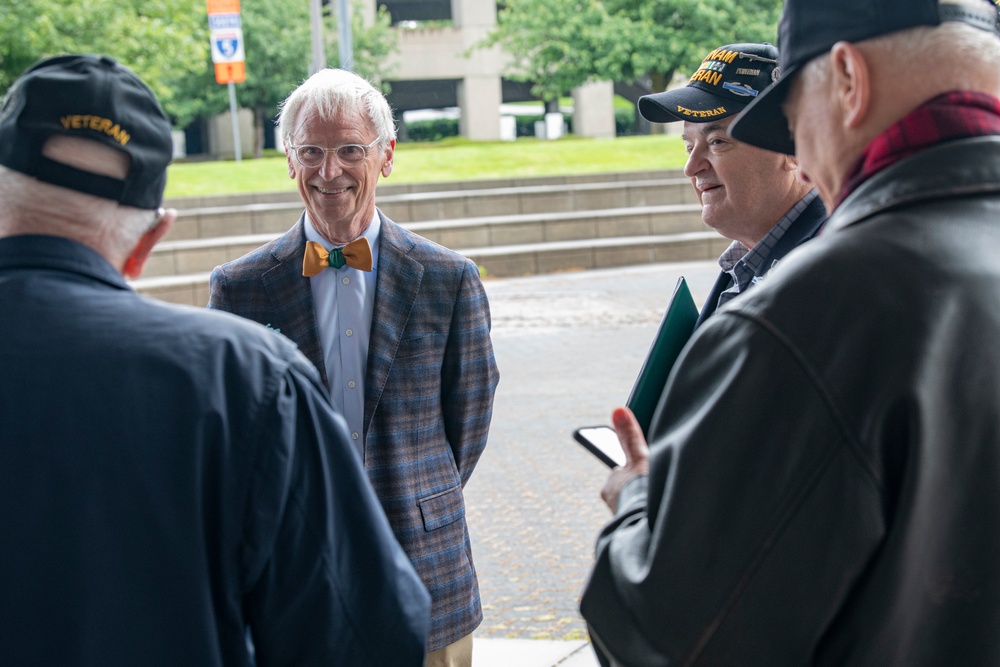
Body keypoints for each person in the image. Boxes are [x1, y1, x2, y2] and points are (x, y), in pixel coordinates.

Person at [580, 0, 1000, 663]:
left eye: (789, 119)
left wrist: (637, 502)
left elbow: (662, 639)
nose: (799, 150)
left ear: (849, 81)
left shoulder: (803, 319)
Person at [0, 54, 430, 665]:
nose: (329, 169)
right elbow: (366, 635)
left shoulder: (254, 373)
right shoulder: (246, 377)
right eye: (310, 152)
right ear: (150, 240)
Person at [208, 68, 500, 665]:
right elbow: (233, 433)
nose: (329, 171)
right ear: (289, 159)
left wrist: (416, 494)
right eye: (310, 151)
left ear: (386, 156)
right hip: (288, 572)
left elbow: (467, 421)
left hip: (427, 567)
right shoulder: (238, 289)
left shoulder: (449, 280)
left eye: (349, 150)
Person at [636, 42, 825, 326]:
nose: (691, 167)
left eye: (717, 142)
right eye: (689, 147)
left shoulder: (825, 271)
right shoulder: (750, 261)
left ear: (792, 149)